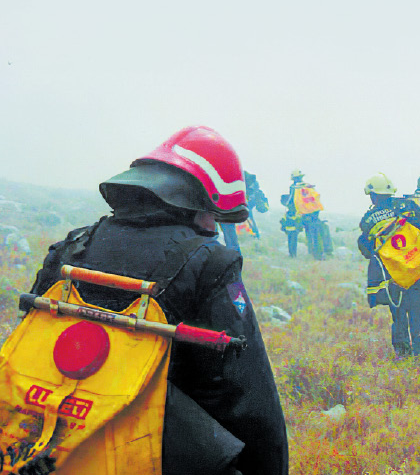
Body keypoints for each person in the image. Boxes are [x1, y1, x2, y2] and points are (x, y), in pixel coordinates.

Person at [26, 126, 288, 474]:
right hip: (142, 451)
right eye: (214, 214)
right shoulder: (210, 263)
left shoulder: (72, 246)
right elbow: (245, 395)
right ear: (194, 204)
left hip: (41, 439)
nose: (213, 227)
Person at [358, 173, 420, 357]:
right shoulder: (408, 206)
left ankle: (402, 355)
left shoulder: (368, 219)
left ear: (373, 195)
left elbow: (366, 249)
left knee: (399, 315)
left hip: (395, 277)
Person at [219, 171, 269, 253]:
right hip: (230, 206)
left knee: (230, 228)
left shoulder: (249, 184)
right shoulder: (246, 182)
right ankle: (235, 250)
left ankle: (235, 250)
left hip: (232, 207)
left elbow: (262, 205)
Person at [283, 169, 325, 259]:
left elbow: (291, 202)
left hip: (299, 215)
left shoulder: (293, 188)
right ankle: (317, 256)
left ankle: (292, 256)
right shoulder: (309, 187)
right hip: (312, 214)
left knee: (292, 234)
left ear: (293, 178)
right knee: (314, 235)